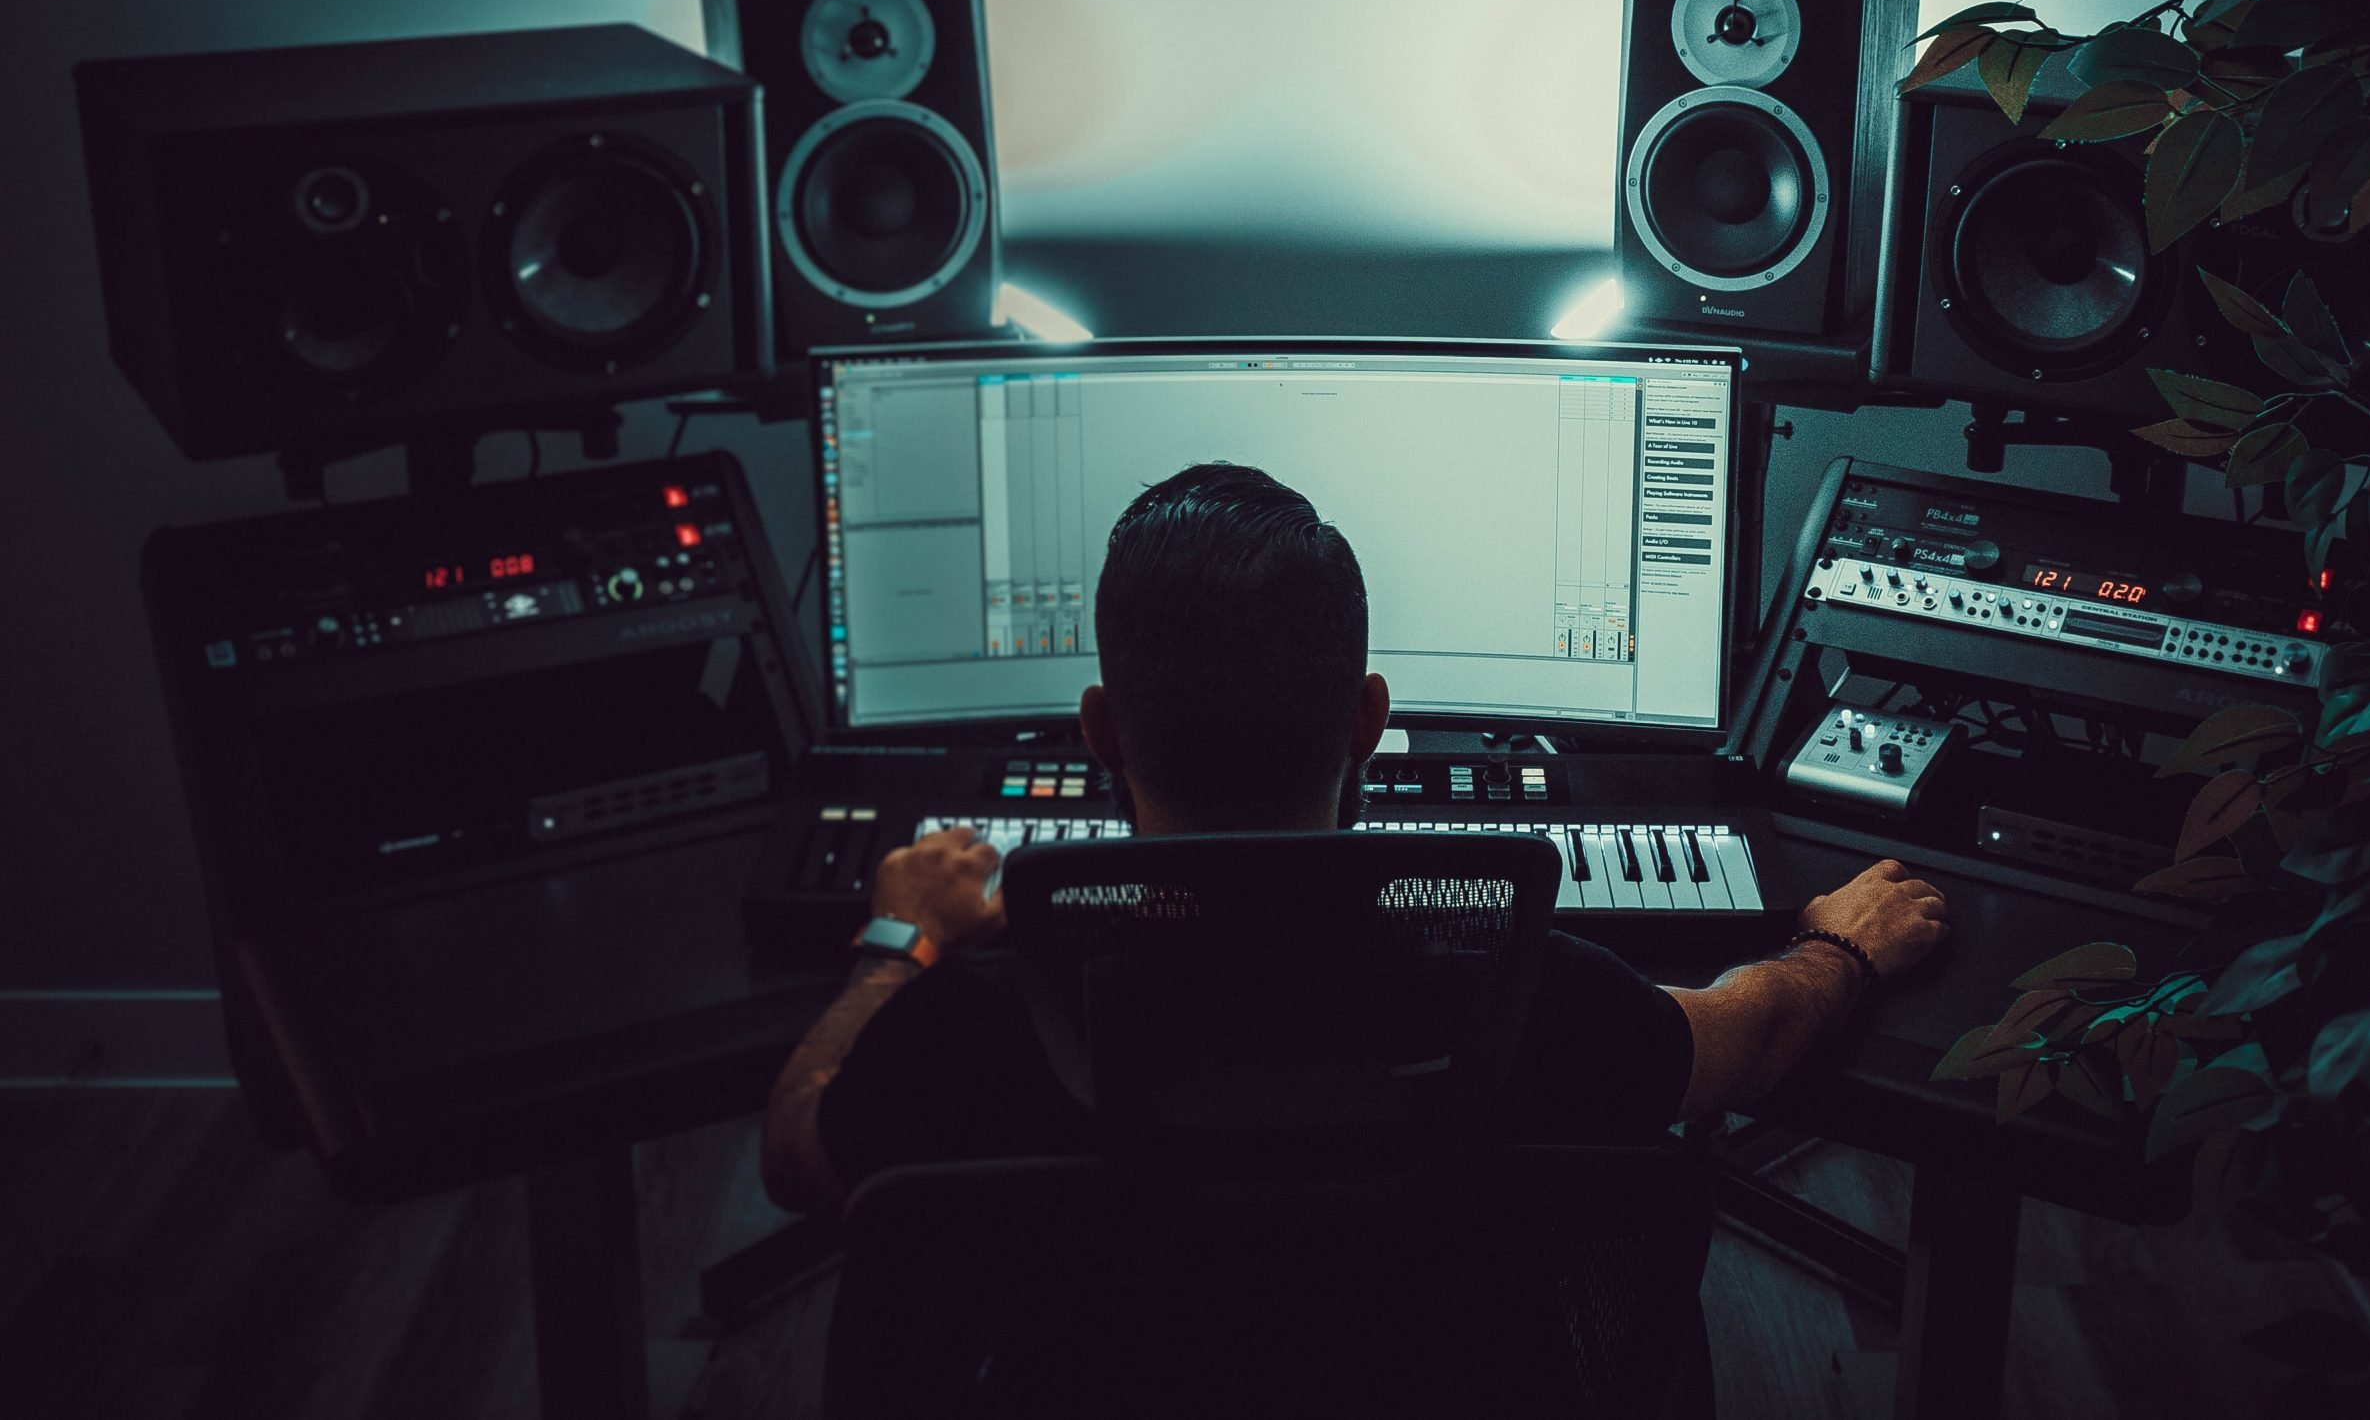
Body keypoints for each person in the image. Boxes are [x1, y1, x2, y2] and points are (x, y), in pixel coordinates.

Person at [762, 463, 1948, 1215]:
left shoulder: (984, 1023)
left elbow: (798, 1154)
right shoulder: (1525, 997)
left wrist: (896, 943)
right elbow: (1752, 1036)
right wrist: (1836, 949)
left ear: (1102, 731)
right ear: (1369, 720)